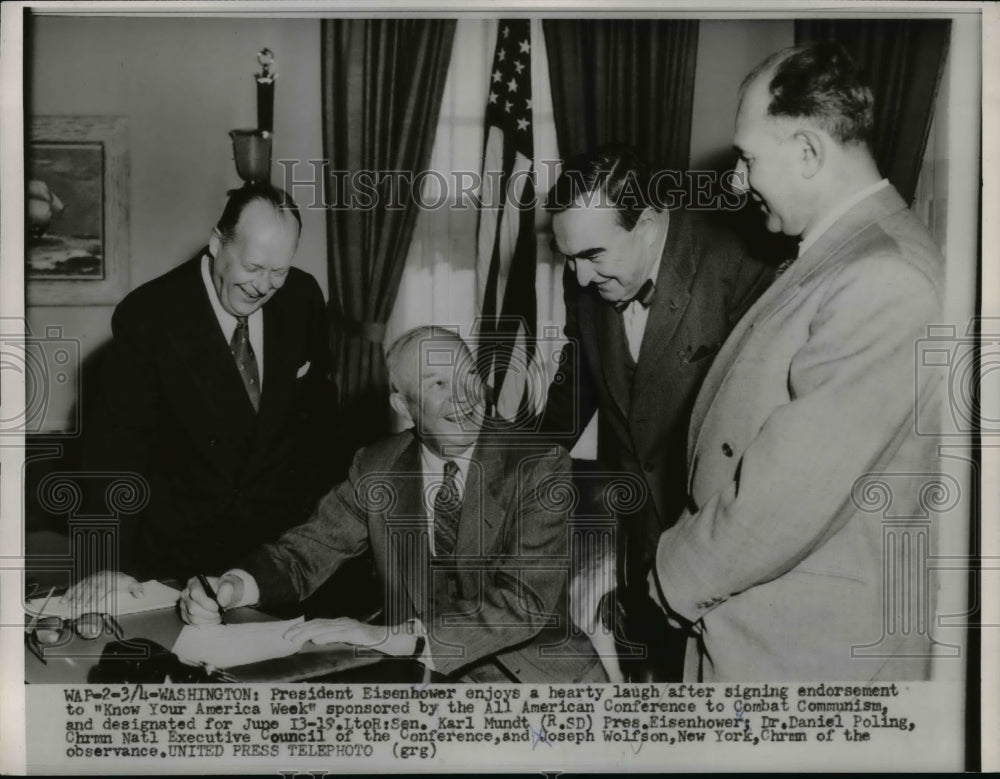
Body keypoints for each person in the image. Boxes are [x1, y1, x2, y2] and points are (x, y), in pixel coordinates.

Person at [647, 42, 944, 681]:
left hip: (805, 653)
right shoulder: (843, 254)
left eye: (749, 158)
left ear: (809, 152)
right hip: (763, 629)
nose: (738, 180)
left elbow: (785, 496)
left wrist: (670, 579)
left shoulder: (885, 275)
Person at [180, 326, 607, 683]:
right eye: (438, 384)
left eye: (467, 377)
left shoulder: (539, 464)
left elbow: (523, 604)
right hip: (431, 685)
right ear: (403, 405)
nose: (463, 397)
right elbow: (304, 554)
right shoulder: (376, 467)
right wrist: (232, 586)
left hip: (540, 684)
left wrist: (389, 637)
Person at [539, 145, 774, 682]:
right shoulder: (585, 278)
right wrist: (505, 469)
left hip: (722, 553)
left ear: (646, 223)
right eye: (567, 258)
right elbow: (573, 394)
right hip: (639, 541)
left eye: (594, 255)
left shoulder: (739, 263)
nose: (577, 278)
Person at [63, 184, 339, 610]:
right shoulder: (150, 316)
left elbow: (320, 427)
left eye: (279, 271)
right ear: (216, 242)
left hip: (274, 562)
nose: (264, 286)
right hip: (175, 562)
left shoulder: (302, 298)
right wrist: (104, 563)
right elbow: (114, 454)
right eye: (253, 266)